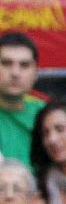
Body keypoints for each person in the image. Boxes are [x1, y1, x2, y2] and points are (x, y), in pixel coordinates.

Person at [0, 31, 42, 163]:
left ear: (36, 74)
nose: (15, 73)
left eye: (24, 65)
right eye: (6, 63)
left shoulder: (47, 115)